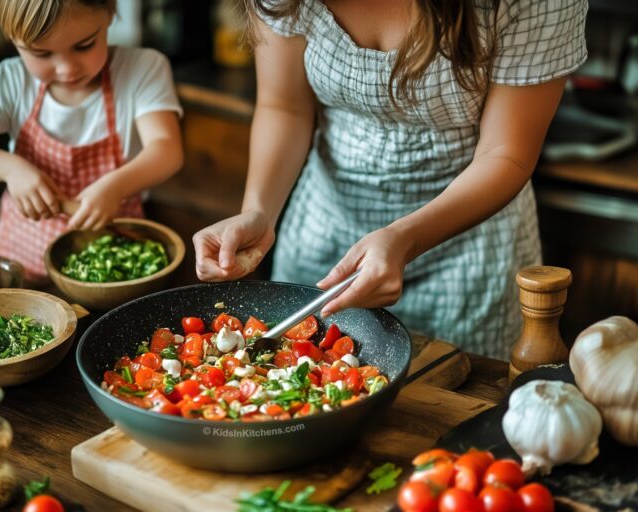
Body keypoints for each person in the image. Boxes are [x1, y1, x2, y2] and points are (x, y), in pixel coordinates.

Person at [192, 0, 588, 359]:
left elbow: (506, 153)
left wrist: (407, 238)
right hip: (322, 230)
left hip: (470, 252)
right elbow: (285, 107)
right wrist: (259, 209)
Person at [0, 0, 183, 284]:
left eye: (84, 45)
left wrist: (116, 188)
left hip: (107, 276)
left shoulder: (142, 70)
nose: (66, 69)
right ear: (12, 37)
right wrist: (11, 169)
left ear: (110, 12)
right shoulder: (15, 81)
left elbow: (167, 148)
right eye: (41, 53)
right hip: (21, 271)